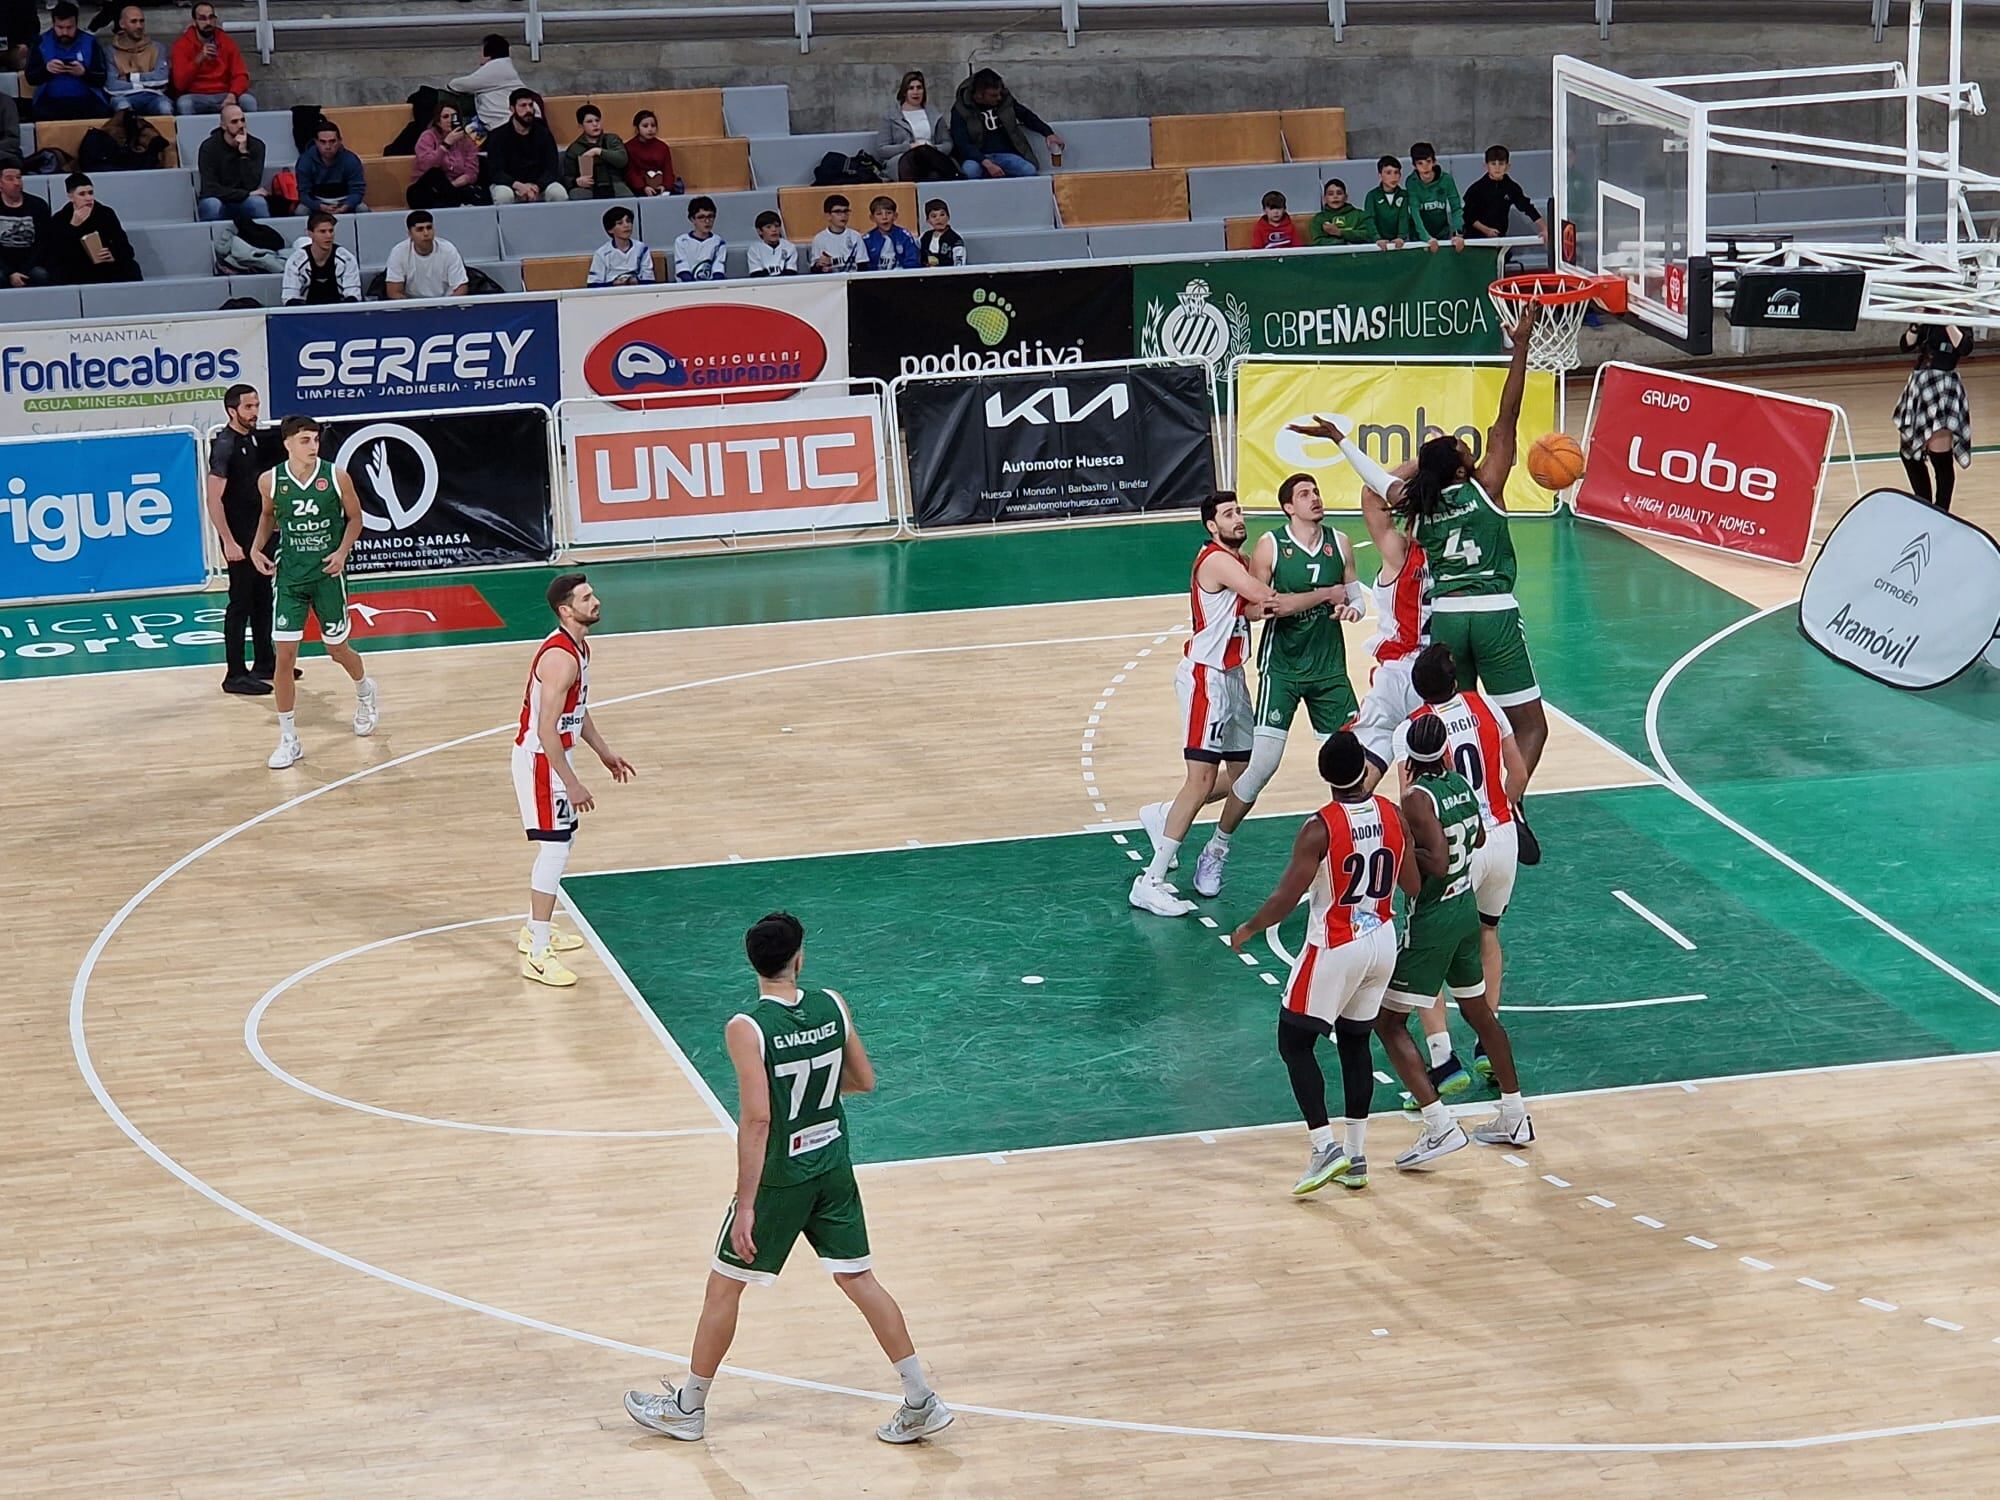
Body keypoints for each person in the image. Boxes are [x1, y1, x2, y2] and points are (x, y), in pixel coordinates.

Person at [623, 911, 953, 1445]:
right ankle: (920, 1398)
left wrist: (746, 1204)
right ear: (798, 959)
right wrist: (814, 1103)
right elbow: (863, 1081)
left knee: (723, 1286)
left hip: (782, 1176)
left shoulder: (746, 1027)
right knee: (860, 1278)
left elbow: (758, 1120)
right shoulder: (833, 1004)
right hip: (833, 1163)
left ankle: (688, 1407)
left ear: (753, 962)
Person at [1229, 730, 1416, 1195]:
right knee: (1355, 1043)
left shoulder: (1321, 826)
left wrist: (1249, 928)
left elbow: (1285, 896)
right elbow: (1410, 882)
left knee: (1294, 1043)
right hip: (1382, 942)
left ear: (1325, 776)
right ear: (1365, 771)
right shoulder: (1393, 815)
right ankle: (1355, 1157)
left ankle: (1323, 1147)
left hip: (1335, 946)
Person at [1186, 473, 1364, 899]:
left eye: (1317, 491)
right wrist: (1324, 596)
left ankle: (1347, 854)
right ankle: (1216, 847)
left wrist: (1351, 610)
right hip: (1281, 669)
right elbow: (1256, 607)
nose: (1315, 498)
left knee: (1352, 764)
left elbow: (1355, 596)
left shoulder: (1339, 542)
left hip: (1329, 670)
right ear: (1289, 507)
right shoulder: (1270, 546)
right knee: (1262, 765)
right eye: (1305, 494)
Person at [1375, 713, 1535, 1167]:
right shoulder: (1464, 786)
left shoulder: (1414, 799)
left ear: (1407, 758)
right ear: (1444, 751)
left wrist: (1406, 844)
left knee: (1387, 1024)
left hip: (1435, 918)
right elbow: (1480, 834)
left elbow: (1438, 862)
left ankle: (1439, 1125)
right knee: (1480, 1013)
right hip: (1466, 909)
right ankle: (1514, 1114)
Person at [1130, 493, 1278, 918]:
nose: (1238, 519)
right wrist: (1316, 591)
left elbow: (1251, 609)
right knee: (1200, 780)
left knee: (1245, 775)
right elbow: (1259, 592)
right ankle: (1150, 882)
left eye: (1239, 512)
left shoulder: (1238, 560)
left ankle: (1164, 815)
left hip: (1233, 677)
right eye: (1229, 515)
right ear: (1212, 526)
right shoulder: (1216, 560)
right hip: (1205, 679)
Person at [1389, 642, 1527, 1094]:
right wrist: (1511, 808)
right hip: (1500, 834)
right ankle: (1488, 1043)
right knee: (1488, 933)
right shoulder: (1483, 705)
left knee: (1435, 947)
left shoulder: (1411, 730)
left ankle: (1443, 1058)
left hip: (1454, 840)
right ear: (1455, 681)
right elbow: (1518, 770)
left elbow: (1409, 802)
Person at [511, 572, 634, 987]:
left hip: (555, 759)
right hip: (541, 761)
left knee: (562, 843)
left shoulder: (581, 648)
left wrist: (604, 752)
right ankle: (538, 950)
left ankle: (534, 928)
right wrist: (572, 781)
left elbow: (576, 711)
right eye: (586, 597)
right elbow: (547, 729)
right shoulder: (560, 658)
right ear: (566, 610)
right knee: (556, 848)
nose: (595, 601)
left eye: (593, 593)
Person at [251, 414, 379, 771]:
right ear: (288, 443)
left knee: (337, 649)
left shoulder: (336, 477)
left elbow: (355, 518)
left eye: (316, 440)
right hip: (290, 576)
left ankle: (365, 689)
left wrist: (341, 552)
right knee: (284, 658)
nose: (312, 446)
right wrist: (256, 548)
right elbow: (267, 515)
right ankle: (289, 739)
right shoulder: (270, 480)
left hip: (327, 575)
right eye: (305, 440)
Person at [204, 382, 275, 695]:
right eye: (248, 407)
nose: (255, 412)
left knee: (263, 598)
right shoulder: (225, 445)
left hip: (259, 533)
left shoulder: (257, 439)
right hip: (239, 536)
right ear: (232, 410)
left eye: (257, 405)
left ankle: (265, 662)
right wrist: (229, 542)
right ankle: (234, 673)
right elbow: (213, 499)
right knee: (241, 602)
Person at [1895, 322, 1971, 511]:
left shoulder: (1961, 319)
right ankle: (1925, 505)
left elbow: (1965, 347)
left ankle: (1942, 510)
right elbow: (1906, 345)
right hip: (1920, 384)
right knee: (1909, 453)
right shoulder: (1928, 320)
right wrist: (1915, 325)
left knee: (1940, 457)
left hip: (1943, 386)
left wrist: (1948, 321)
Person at [950, 67, 1062, 180]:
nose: (999, 98)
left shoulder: (1005, 101)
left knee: (1028, 170)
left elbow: (1026, 116)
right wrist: (986, 163)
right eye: (993, 95)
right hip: (977, 158)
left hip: (1005, 154)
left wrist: (1048, 133)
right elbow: (962, 143)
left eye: (999, 94)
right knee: (970, 172)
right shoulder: (960, 110)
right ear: (979, 95)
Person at [40, 172, 140, 283]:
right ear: (71, 197)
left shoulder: (106, 213)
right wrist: (73, 226)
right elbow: (55, 253)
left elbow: (125, 246)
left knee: (131, 267)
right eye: (82, 194)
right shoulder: (60, 218)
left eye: (90, 193)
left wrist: (113, 255)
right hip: (76, 266)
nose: (88, 198)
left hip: (105, 264)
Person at [28, 2, 112, 121]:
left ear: (76, 23)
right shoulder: (40, 42)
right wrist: (46, 70)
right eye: (60, 27)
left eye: (69, 27)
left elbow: (101, 79)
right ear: (53, 24)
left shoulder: (91, 42)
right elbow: (31, 78)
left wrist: (84, 73)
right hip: (51, 101)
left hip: (87, 100)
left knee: (102, 112)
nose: (65, 32)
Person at [169, 1, 256, 114]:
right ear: (194, 22)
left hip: (224, 94)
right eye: (203, 18)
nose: (208, 22)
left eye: (211, 17)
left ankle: (245, 132)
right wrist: (198, 59)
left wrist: (233, 94)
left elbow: (241, 75)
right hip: (196, 95)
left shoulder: (226, 41)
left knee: (248, 101)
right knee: (184, 103)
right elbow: (179, 84)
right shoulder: (182, 45)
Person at [487, 88, 567, 206]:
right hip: (511, 186)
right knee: (503, 195)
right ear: (512, 109)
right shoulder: (498, 135)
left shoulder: (544, 133)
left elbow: (551, 168)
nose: (528, 110)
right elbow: (495, 171)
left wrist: (537, 186)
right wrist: (518, 185)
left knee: (558, 193)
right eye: (523, 106)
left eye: (530, 105)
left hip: (539, 186)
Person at [196, 99, 267, 226]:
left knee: (258, 203)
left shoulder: (256, 146)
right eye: (234, 122)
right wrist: (246, 193)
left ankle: (265, 241)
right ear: (223, 126)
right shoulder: (208, 147)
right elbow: (210, 188)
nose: (241, 125)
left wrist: (244, 153)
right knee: (211, 204)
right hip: (218, 199)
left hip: (243, 200)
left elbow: (252, 183)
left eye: (243, 120)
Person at [877, 70, 955, 183]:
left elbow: (947, 144)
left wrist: (934, 149)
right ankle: (956, 175)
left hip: (932, 159)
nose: (916, 92)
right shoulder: (890, 116)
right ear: (904, 92)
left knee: (933, 174)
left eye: (919, 88)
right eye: (911, 88)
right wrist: (910, 147)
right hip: (904, 159)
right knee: (921, 152)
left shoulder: (934, 114)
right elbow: (882, 150)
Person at [1463, 145, 1546, 250]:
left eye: (1501, 164)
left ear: (1507, 166)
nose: (1497, 168)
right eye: (1493, 164)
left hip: (1499, 239)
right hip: (1475, 241)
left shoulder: (1511, 187)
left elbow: (1527, 207)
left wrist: (1544, 228)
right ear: (1486, 166)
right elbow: (1468, 216)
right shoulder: (1476, 189)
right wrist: (1486, 230)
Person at [408, 100, 487, 209]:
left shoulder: (466, 140)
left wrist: (449, 187)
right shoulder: (427, 137)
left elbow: (471, 173)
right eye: (445, 117)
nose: (450, 120)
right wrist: (446, 144)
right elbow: (426, 165)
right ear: (438, 121)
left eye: (453, 117)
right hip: (426, 189)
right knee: (435, 174)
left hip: (454, 189)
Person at [448, 34, 524, 135]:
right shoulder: (504, 67)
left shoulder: (497, 67)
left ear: (487, 54)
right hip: (504, 125)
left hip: (506, 127)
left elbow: (457, 85)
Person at [281, 211, 360, 305]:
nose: (328, 236)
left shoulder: (347, 259)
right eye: (322, 231)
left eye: (331, 231)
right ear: (310, 234)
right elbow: (289, 298)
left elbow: (353, 295)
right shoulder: (296, 261)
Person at [385, 209, 467, 299]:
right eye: (420, 229)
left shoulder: (449, 250)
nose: (426, 233)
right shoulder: (398, 252)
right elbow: (394, 291)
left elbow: (461, 287)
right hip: (411, 306)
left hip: (445, 303)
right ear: (410, 234)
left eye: (429, 228)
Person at [106, 4, 170, 116]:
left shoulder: (158, 47)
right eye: (134, 22)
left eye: (142, 21)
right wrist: (144, 83)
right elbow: (112, 86)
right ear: (122, 24)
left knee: (165, 107)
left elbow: (162, 78)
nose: (139, 26)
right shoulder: (110, 51)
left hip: (154, 95)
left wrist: (130, 78)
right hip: (124, 96)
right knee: (122, 107)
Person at [561, 103, 630, 201]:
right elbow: (567, 176)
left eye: (597, 120)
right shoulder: (575, 148)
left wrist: (598, 151)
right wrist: (576, 181)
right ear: (581, 125)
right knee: (578, 196)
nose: (595, 124)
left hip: (614, 183)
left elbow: (622, 160)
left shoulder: (612, 139)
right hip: (588, 187)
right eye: (589, 121)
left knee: (627, 198)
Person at [297, 119, 366, 215]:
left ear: (339, 141)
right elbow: (303, 194)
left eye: (332, 141)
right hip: (317, 202)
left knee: (362, 209)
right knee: (301, 211)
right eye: (323, 142)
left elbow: (357, 191)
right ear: (316, 142)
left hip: (344, 201)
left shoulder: (351, 160)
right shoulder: (305, 161)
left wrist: (346, 206)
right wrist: (319, 206)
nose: (328, 146)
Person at [0, 160, 51, 288]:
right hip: (3, 265)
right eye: (10, 179)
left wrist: (23, 270)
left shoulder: (38, 205)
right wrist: (10, 272)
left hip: (30, 264)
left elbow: (44, 243)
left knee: (41, 275)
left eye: (19, 177)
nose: (16, 183)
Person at [1405, 141, 1464, 252]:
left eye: (1428, 161)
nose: (1425, 167)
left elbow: (1456, 208)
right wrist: (1427, 238)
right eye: (1420, 163)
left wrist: (1458, 233)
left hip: (1442, 234)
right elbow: (1415, 212)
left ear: (1434, 161)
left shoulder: (1446, 180)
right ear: (1414, 165)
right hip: (1419, 237)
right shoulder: (1411, 182)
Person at [589, 204, 653, 287]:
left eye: (628, 221)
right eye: (620, 223)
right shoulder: (601, 253)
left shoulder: (642, 248)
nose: (626, 225)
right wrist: (614, 284)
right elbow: (593, 285)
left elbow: (650, 280)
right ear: (610, 229)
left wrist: (635, 281)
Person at [1362, 155, 1414, 250]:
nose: (1393, 177)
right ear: (1380, 175)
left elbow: (1404, 217)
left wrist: (1401, 237)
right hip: (1377, 244)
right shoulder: (1372, 195)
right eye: (1388, 173)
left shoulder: (1404, 195)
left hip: (1400, 243)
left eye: (1396, 173)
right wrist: (1377, 238)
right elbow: (1369, 219)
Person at [623, 108, 678, 197]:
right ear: (637, 128)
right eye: (645, 126)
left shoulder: (663, 147)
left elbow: (668, 170)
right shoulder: (629, 147)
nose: (650, 129)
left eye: (653, 125)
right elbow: (630, 172)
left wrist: (664, 186)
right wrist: (643, 187)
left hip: (660, 186)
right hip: (639, 187)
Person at [672, 195, 725, 281]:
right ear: (692, 219)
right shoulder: (681, 241)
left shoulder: (719, 243)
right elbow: (682, 270)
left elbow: (718, 270)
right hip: (687, 289)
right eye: (701, 217)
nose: (707, 221)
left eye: (710, 216)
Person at [860, 194, 917, 271]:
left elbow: (912, 261)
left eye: (889, 213)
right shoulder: (867, 239)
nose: (884, 217)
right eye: (879, 214)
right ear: (872, 218)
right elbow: (864, 266)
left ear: (895, 216)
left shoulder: (904, 236)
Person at [1305, 179, 1370, 246]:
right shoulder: (1318, 219)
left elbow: (1368, 235)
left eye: (1339, 193)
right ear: (1324, 199)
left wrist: (1340, 232)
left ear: (1346, 197)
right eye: (1330, 194)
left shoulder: (1359, 215)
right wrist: (1344, 242)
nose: (1335, 197)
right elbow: (1318, 242)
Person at [809, 193, 863, 273]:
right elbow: (814, 270)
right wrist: (820, 266)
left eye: (846, 211)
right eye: (838, 212)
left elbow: (863, 264)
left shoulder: (855, 236)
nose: (843, 215)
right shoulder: (819, 239)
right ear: (828, 216)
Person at [745, 209, 798, 276]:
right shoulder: (754, 249)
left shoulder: (789, 247)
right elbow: (756, 274)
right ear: (759, 231)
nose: (774, 230)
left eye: (777, 226)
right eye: (768, 227)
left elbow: (791, 272)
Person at [917, 198, 964, 267]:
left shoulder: (955, 239)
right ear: (928, 220)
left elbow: (959, 265)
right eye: (934, 216)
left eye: (942, 215)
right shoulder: (924, 237)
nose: (938, 218)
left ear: (948, 217)